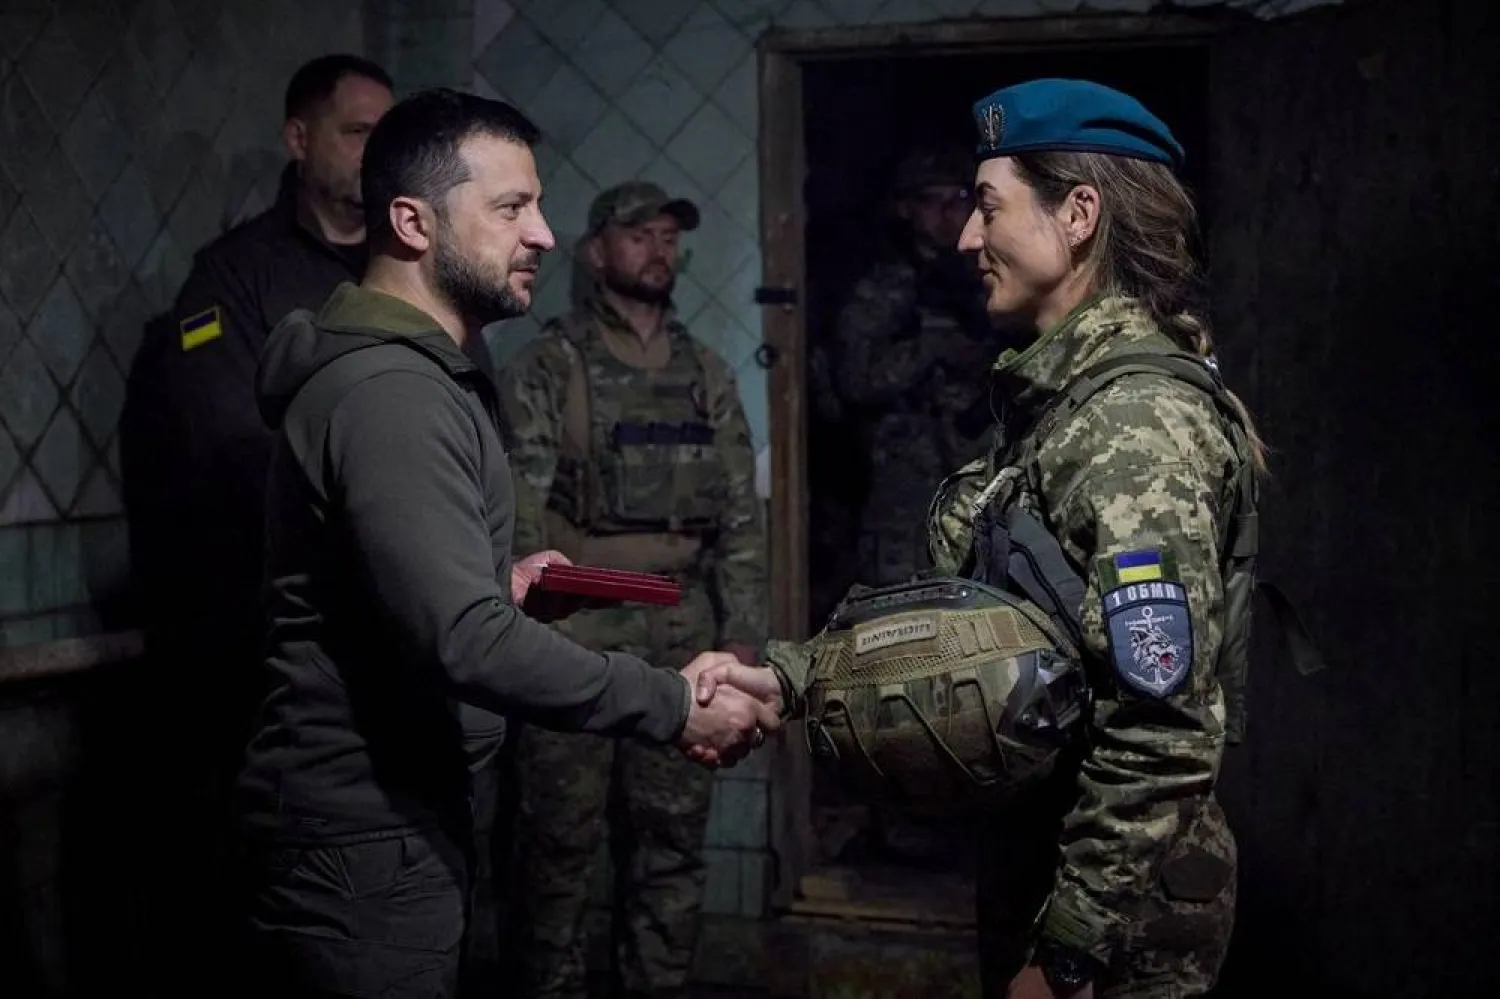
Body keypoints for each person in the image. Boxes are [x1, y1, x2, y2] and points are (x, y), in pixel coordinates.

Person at [695, 78, 1266, 999]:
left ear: (1078, 214)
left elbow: (1162, 732)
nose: (967, 236)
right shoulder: (1059, 404)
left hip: (1124, 919)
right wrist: (796, 678)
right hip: (1039, 861)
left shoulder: (1135, 426)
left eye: (989, 206)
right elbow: (984, 629)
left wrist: (1071, 950)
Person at [235, 87, 779, 999]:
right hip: (364, 834)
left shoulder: (421, 378)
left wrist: (503, 582)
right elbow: (463, 638)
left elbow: (412, 597)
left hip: (392, 820)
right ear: (413, 221)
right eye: (511, 208)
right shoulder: (392, 392)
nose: (544, 235)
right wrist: (672, 703)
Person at [115, 53, 411, 997]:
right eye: (358, 131)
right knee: (252, 903)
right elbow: (233, 453)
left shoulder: (400, 274)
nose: (377, 152)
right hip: (253, 652)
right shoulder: (233, 279)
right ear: (300, 139)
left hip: (379, 646)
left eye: (386, 134)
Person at [494, 180, 768, 999]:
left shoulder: (707, 375)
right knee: (555, 851)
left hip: (683, 639)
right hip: (570, 636)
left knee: (671, 846)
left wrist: (743, 641)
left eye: (668, 235)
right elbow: (519, 520)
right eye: (639, 233)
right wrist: (527, 638)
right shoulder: (550, 366)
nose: (659, 248)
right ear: (596, 251)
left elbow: (741, 522)